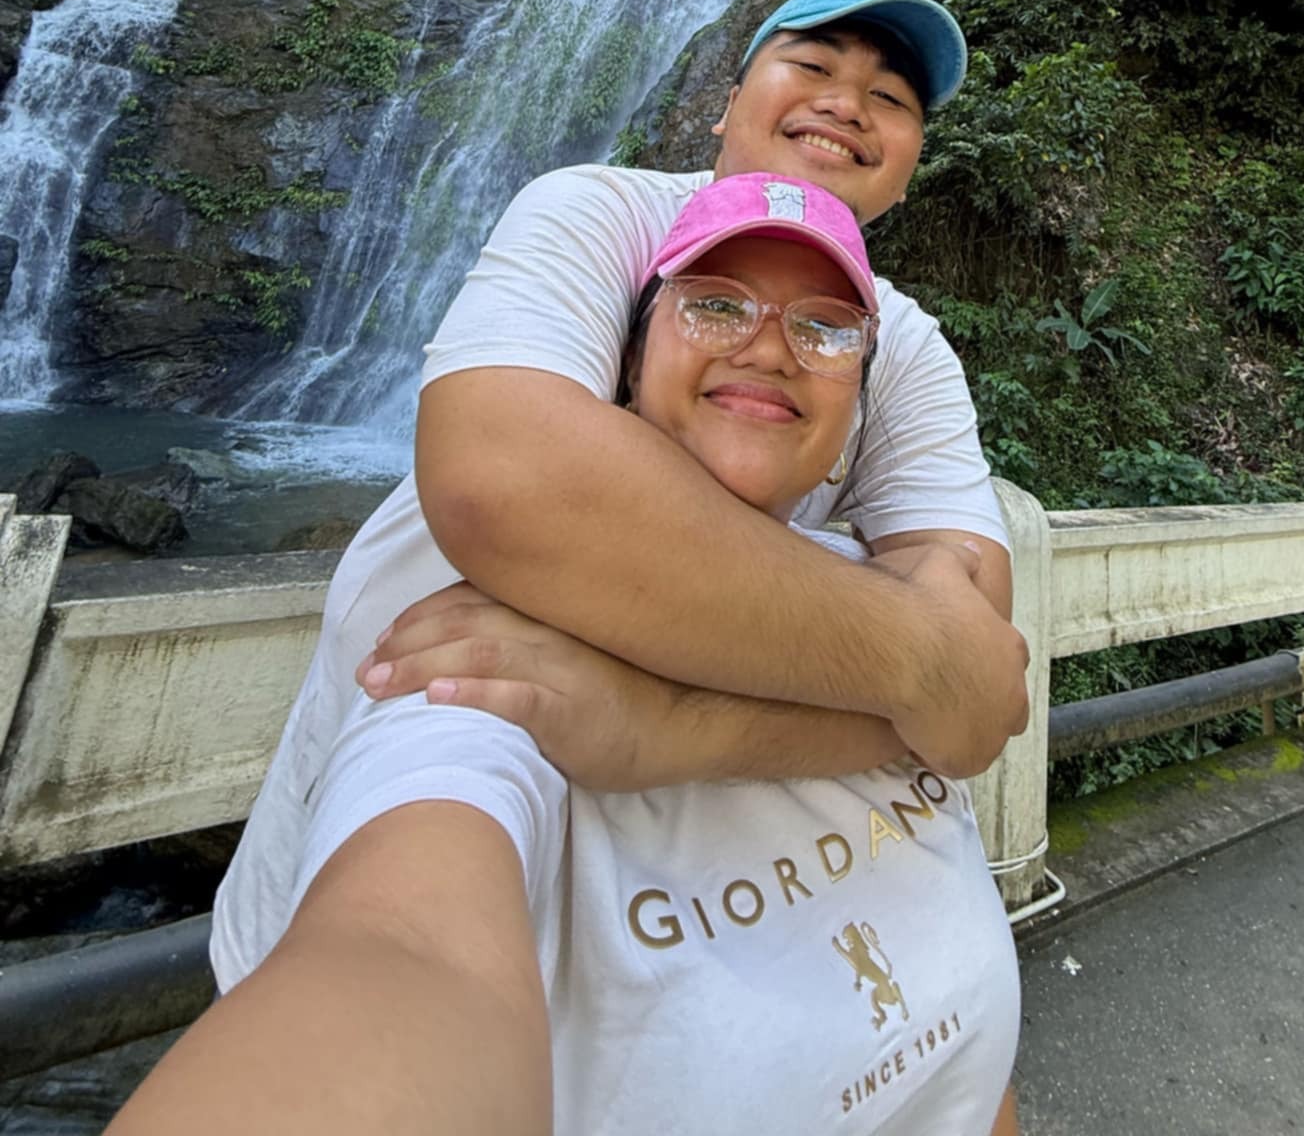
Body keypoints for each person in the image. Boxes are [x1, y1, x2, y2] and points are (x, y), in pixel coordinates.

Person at [111, 175, 1021, 1135]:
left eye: (827, 329)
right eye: (715, 305)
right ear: (623, 364)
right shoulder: (491, 658)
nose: (767, 347)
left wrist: (677, 726)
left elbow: (962, 1057)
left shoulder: (887, 601)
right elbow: (403, 954)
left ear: (854, 431)